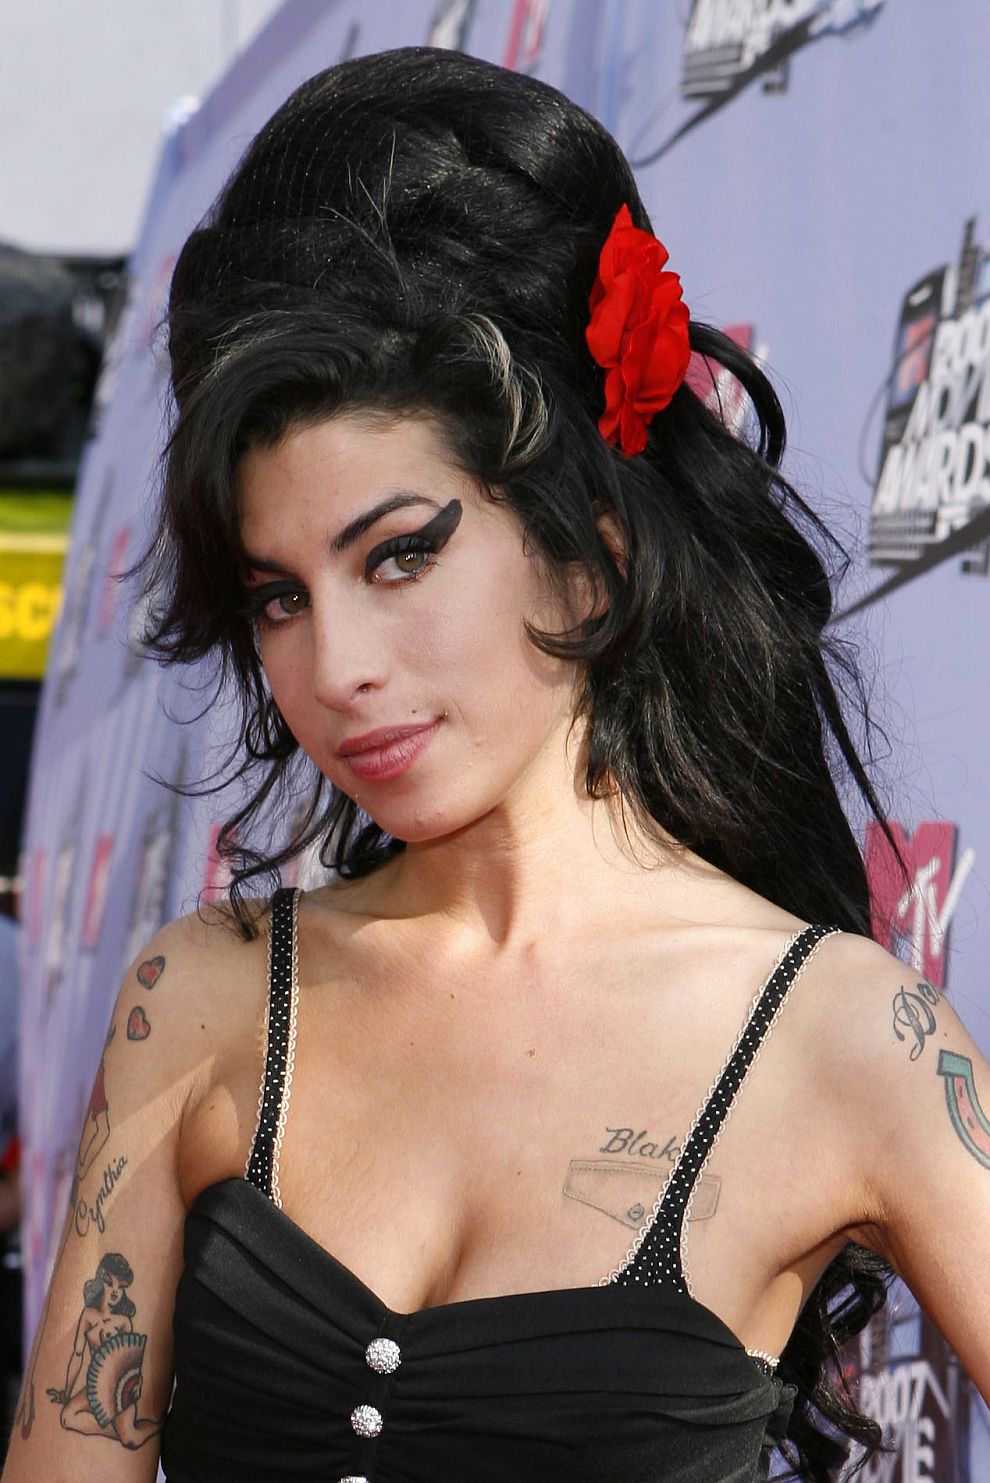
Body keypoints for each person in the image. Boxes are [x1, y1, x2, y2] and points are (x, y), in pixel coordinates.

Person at [3, 45, 989, 1483]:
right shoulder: (203, 1001)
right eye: (279, 596)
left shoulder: (842, 1042)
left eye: (399, 557)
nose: (335, 665)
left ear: (589, 551)